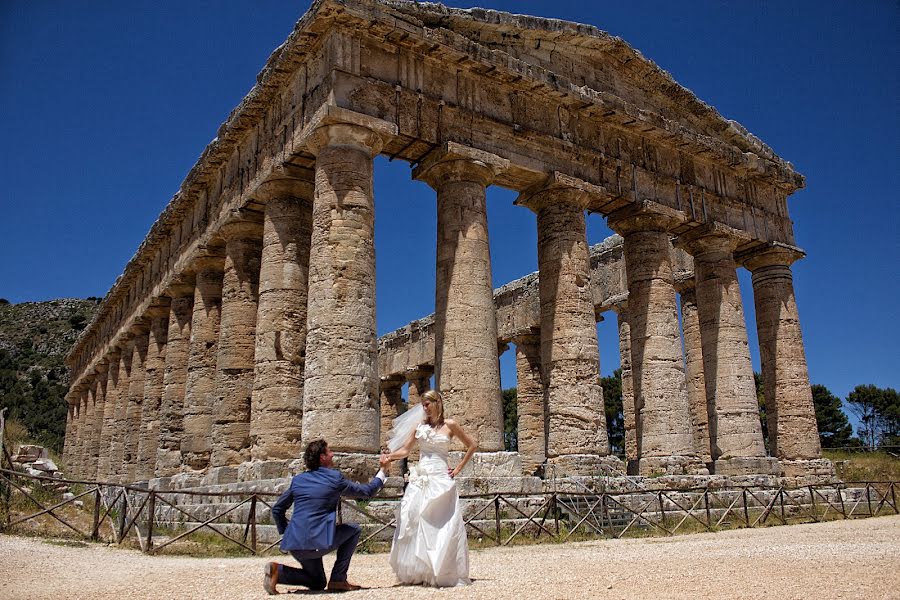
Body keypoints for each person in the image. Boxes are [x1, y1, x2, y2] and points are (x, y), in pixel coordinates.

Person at [264, 439, 390, 595]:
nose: (333, 454)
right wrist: (383, 471)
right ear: (322, 457)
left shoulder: (298, 480)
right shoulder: (334, 478)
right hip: (317, 544)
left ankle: (278, 571)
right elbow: (367, 492)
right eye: (329, 451)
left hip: (294, 545)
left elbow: (277, 509)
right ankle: (338, 579)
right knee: (354, 530)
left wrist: (287, 533)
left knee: (318, 582)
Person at [381, 389, 477, 587]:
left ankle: (441, 570)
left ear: (437, 403)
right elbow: (406, 450)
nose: (424, 408)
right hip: (422, 477)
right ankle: (420, 571)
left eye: (427, 404)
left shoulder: (450, 425)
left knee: (443, 524)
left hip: (441, 477)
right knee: (415, 519)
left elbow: (472, 445)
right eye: (423, 405)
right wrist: (390, 456)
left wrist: (458, 468)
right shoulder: (420, 426)